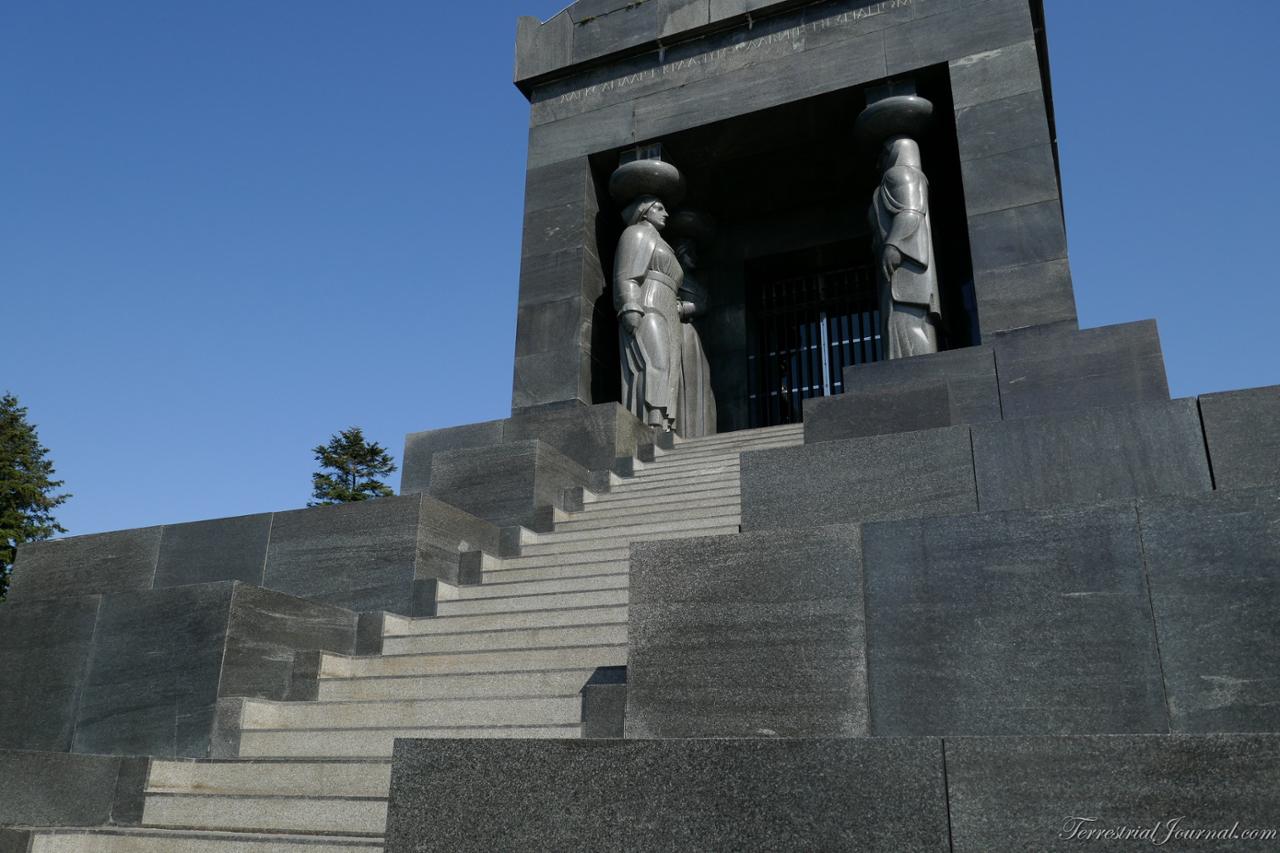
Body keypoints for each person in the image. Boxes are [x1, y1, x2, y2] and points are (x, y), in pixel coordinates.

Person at [613, 194, 685, 431]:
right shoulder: (636, 233)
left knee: (671, 367)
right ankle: (648, 424)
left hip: (668, 306)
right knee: (656, 360)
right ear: (645, 211)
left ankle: (664, 425)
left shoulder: (663, 242)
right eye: (660, 208)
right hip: (649, 302)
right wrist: (630, 305)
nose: (666, 213)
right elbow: (625, 274)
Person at [869, 135, 942, 359]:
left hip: (905, 269)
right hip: (907, 269)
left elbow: (911, 212)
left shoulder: (898, 174)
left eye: (882, 154)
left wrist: (894, 246)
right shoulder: (913, 176)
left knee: (904, 325)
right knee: (904, 325)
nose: (878, 162)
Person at [670, 211, 717, 437]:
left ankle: (698, 430)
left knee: (698, 380)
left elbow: (703, 304)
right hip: (682, 332)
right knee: (684, 380)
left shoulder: (693, 281)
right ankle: (684, 430)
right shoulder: (675, 278)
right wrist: (686, 308)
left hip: (692, 335)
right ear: (681, 253)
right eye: (691, 254)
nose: (695, 258)